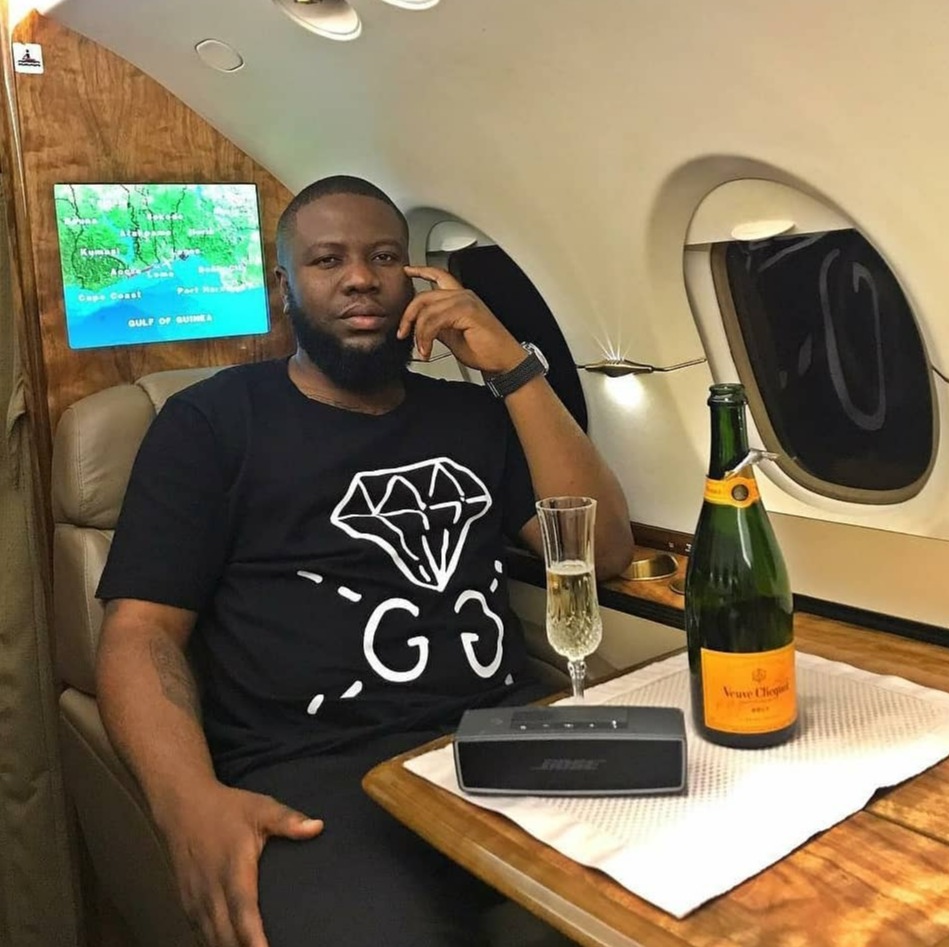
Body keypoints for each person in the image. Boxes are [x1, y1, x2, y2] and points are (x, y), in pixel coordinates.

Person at [95, 175, 634, 947]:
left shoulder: (472, 416)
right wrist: (186, 799)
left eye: (384, 255)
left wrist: (512, 368)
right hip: (313, 770)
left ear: (416, 277)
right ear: (285, 287)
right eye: (327, 259)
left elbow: (602, 550)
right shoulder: (211, 424)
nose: (360, 276)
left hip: (500, 738)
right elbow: (140, 631)